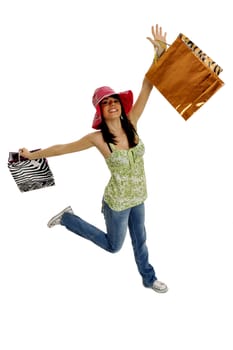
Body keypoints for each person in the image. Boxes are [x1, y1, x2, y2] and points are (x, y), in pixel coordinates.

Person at [19, 23, 168, 293]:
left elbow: (148, 85)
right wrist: (32, 155)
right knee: (114, 246)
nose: (112, 104)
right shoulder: (97, 139)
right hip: (117, 203)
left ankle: (148, 278)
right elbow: (62, 148)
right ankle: (67, 219)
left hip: (139, 197)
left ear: (121, 106)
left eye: (115, 100)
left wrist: (159, 53)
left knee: (141, 241)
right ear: (101, 110)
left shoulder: (132, 123)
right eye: (106, 102)